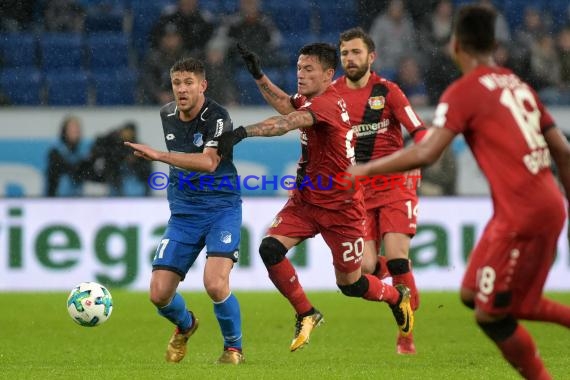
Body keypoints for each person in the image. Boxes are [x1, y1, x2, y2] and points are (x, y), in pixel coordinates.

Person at [348, 5, 570, 379]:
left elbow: (427, 151)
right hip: (540, 203)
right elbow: (562, 150)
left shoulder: (464, 91)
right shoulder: (518, 85)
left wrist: (366, 169)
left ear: (455, 45)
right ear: (495, 43)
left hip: (523, 212)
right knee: (472, 295)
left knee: (491, 310)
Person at [215, 42, 414, 353]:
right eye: (298, 69)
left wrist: (241, 132)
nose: (300, 75)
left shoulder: (327, 105)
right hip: (306, 201)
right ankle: (307, 312)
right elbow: (285, 105)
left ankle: (395, 296)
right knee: (269, 248)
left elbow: (285, 123)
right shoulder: (312, 100)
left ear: (327, 75)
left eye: (308, 70)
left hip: (341, 208)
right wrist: (258, 76)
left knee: (352, 285)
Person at [124, 57, 245, 364]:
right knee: (158, 294)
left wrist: (159, 155)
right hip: (184, 214)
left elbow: (209, 162)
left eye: (188, 82)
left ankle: (233, 349)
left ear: (203, 85)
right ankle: (186, 325)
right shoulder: (167, 113)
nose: (181, 89)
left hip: (221, 209)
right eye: (176, 82)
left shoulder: (217, 116)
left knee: (215, 284)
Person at [45, 115, 90, 197]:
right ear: (64, 131)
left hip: (77, 198)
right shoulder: (55, 150)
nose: (75, 132)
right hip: (57, 198)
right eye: (72, 129)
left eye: (77, 129)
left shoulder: (81, 150)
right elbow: (67, 168)